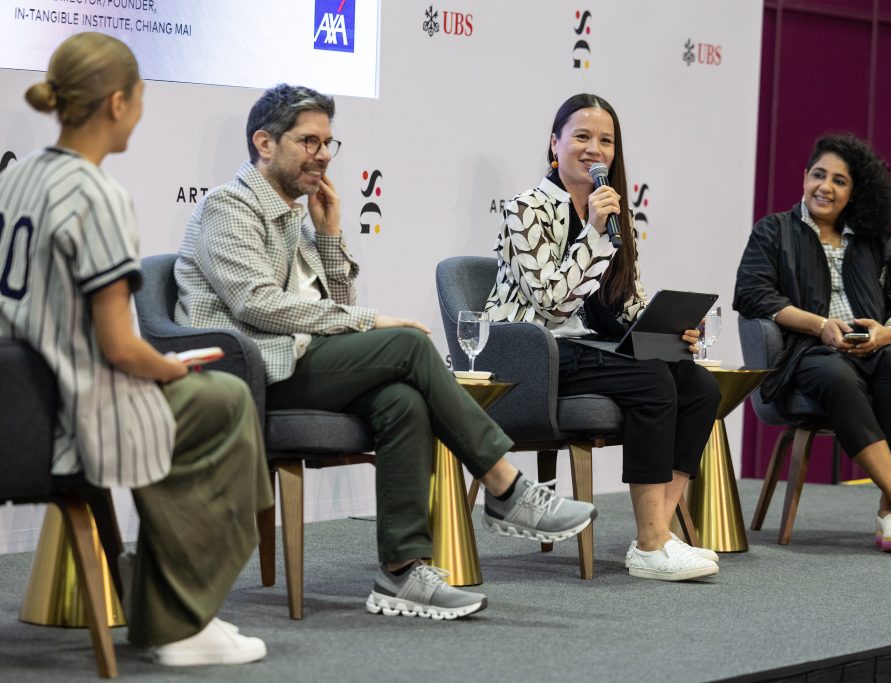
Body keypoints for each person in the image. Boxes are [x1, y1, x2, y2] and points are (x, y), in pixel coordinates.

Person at [174, 83, 596, 620]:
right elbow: (257, 304)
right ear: (264, 143)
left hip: (298, 361)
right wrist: (369, 322)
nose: (322, 155)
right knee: (407, 344)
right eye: (308, 141)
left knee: (403, 401)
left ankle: (401, 572)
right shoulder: (228, 206)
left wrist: (329, 234)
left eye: (328, 143)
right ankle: (504, 485)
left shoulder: (297, 218)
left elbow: (336, 305)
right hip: (250, 372)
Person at [0, 33, 273, 667]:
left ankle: (175, 611)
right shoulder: (96, 195)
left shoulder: (18, 177)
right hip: (73, 415)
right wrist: (168, 366)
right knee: (225, 400)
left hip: (21, 407)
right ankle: (178, 622)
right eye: (142, 97)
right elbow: (122, 347)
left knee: (209, 399)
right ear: (118, 102)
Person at [483, 93, 721, 582]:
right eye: (582, 136)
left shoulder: (616, 214)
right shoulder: (525, 209)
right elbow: (551, 303)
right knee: (652, 380)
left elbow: (625, 303)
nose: (595, 149)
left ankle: (658, 533)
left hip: (587, 346)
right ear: (555, 143)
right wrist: (593, 232)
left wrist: (666, 328)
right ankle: (651, 545)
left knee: (700, 386)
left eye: (606, 141)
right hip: (532, 353)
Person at [733, 132, 891, 556]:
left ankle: (890, 509)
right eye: (819, 175)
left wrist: (887, 332)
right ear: (804, 177)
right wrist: (820, 325)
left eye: (839, 181)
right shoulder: (774, 231)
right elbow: (754, 294)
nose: (825, 187)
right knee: (835, 374)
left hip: (875, 348)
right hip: (809, 351)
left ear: (854, 191)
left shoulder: (877, 240)